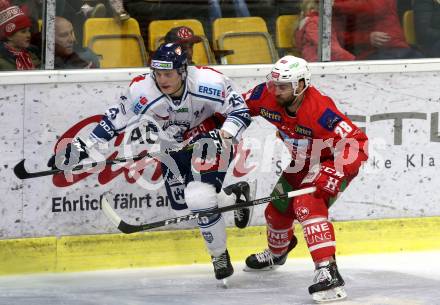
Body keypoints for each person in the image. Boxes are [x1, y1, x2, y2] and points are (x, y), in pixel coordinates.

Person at [47, 42, 252, 282]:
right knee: (183, 203)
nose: (161, 79)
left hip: (209, 138)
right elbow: (114, 120)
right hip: (171, 145)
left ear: (183, 71)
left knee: (199, 197)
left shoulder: (209, 82)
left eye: (168, 74)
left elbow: (240, 112)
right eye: (157, 73)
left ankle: (218, 255)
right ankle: (234, 197)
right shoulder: (141, 90)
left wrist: (223, 136)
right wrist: (82, 147)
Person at [242, 55, 368, 303]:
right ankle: (277, 253)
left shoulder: (320, 111)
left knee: (306, 204)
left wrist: (335, 172)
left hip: (332, 162)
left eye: (283, 86)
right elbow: (236, 108)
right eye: (274, 84)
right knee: (276, 212)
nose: (275, 91)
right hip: (301, 163)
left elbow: (357, 143)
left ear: (300, 85)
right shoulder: (265, 95)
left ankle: (327, 270)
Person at [333, 0, 422, 60]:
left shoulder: (336, 6)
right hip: (368, 56)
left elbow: (375, 7)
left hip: (396, 49)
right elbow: (338, 37)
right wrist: (366, 38)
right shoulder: (334, 10)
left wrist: (333, 5)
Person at [0, 1, 40, 70]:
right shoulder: (2, 62)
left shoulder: (33, 54)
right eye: (23, 32)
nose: (28, 35)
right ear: (9, 36)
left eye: (29, 31)